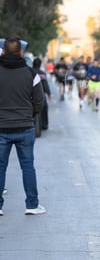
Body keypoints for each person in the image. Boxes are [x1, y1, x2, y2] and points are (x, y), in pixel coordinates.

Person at [0, 37, 46, 215]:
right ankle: (32, 205)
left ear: (3, 51)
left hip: (1, 128)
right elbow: (39, 101)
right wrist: (30, 116)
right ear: (21, 52)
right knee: (27, 166)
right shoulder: (31, 73)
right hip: (25, 127)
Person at [32, 58, 51, 130]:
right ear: (40, 65)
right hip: (41, 94)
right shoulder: (42, 73)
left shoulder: (29, 71)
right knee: (44, 108)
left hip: (30, 94)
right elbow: (45, 84)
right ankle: (44, 125)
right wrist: (49, 93)